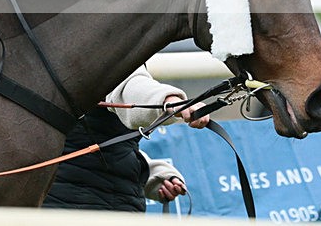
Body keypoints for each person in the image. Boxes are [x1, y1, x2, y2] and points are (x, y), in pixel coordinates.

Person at [43, 65, 209, 212]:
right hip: (86, 206)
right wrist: (170, 102)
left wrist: (152, 174)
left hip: (71, 202)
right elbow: (127, 82)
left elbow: (93, 145)